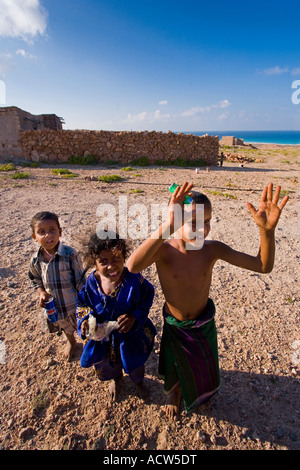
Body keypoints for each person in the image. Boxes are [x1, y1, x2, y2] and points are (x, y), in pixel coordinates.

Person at [126, 182, 289, 419]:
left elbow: (263, 266)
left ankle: (197, 391)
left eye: (207, 221)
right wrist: (168, 226)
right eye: (194, 222)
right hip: (174, 325)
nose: (203, 229)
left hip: (203, 325)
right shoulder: (163, 251)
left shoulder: (213, 250)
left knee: (201, 366)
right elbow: (132, 266)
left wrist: (267, 231)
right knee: (175, 364)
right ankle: (175, 392)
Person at [76, 232, 156, 401]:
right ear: (93, 262)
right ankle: (116, 378)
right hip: (103, 337)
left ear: (124, 256)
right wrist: (85, 320)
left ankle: (138, 381)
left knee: (134, 361)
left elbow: (147, 296)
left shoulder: (134, 280)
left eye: (116, 259)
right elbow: (83, 304)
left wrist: (134, 316)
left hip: (129, 334)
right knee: (107, 363)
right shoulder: (91, 283)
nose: (111, 267)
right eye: (103, 262)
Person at [28, 211, 85, 361]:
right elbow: (35, 279)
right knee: (65, 327)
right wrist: (41, 293)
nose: (48, 235)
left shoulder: (69, 254)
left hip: (73, 304)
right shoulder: (35, 260)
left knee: (83, 329)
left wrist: (86, 304)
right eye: (42, 232)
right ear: (34, 237)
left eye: (52, 230)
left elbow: (80, 280)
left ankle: (89, 346)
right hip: (55, 307)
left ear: (60, 231)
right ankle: (71, 342)